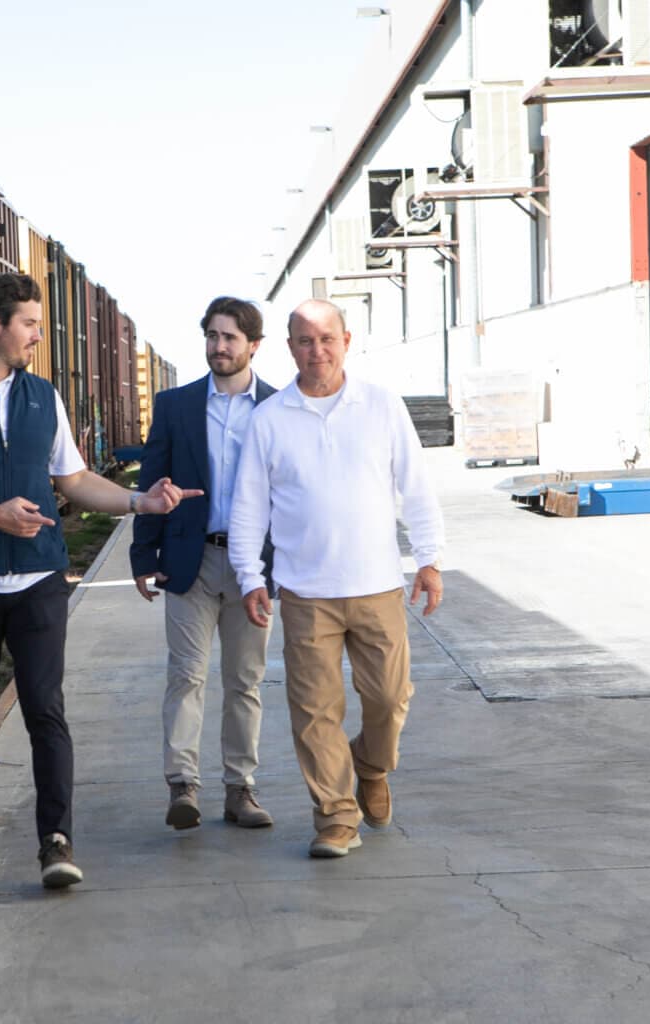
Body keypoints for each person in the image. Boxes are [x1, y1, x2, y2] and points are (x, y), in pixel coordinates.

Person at [0, 273, 198, 889]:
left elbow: (75, 479)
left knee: (45, 709)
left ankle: (55, 842)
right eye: (29, 323)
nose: (37, 335)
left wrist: (143, 502)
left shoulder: (43, 396)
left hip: (37, 577)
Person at [227, 298, 445, 859]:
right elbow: (249, 505)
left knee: (391, 699)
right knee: (314, 712)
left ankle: (371, 765)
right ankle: (335, 817)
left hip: (376, 586)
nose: (316, 350)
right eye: (305, 340)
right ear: (289, 346)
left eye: (327, 338)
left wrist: (428, 556)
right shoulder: (268, 420)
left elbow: (415, 484)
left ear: (347, 342)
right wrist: (251, 576)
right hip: (305, 593)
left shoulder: (380, 406)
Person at [130, 297, 277, 831]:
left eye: (230, 337)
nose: (219, 346)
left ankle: (241, 789)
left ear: (253, 346)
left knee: (245, 681)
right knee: (186, 676)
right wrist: (143, 554)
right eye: (212, 336)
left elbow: (290, 493)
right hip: (189, 560)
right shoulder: (175, 406)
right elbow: (153, 482)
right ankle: (182, 787)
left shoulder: (278, 408)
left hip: (251, 571)